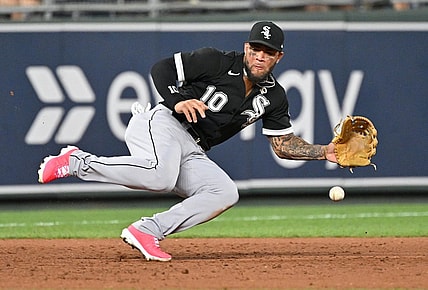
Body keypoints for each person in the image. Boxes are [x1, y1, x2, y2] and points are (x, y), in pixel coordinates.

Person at [38, 21, 338, 262]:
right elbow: (162, 68)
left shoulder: (274, 96)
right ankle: (77, 162)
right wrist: (178, 100)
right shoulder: (218, 62)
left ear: (278, 57)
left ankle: (147, 230)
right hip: (162, 122)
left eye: (268, 52)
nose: (260, 56)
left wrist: (324, 151)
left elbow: (282, 145)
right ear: (246, 48)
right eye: (256, 48)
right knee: (160, 177)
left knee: (224, 192)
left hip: (192, 148)